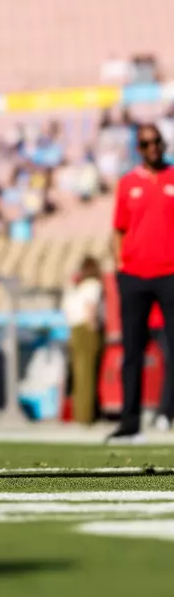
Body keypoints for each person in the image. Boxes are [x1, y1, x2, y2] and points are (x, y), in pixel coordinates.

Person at [108, 123, 174, 441]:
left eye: (156, 142)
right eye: (146, 143)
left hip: (170, 273)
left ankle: (167, 413)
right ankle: (129, 422)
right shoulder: (127, 183)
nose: (152, 148)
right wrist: (120, 267)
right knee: (132, 352)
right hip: (134, 275)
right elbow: (118, 229)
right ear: (139, 148)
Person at [62, 256, 104, 425]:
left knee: (79, 373)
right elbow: (91, 305)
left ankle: (80, 413)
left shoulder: (76, 287)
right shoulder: (93, 285)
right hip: (86, 328)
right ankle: (87, 416)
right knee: (87, 373)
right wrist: (94, 324)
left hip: (74, 328)